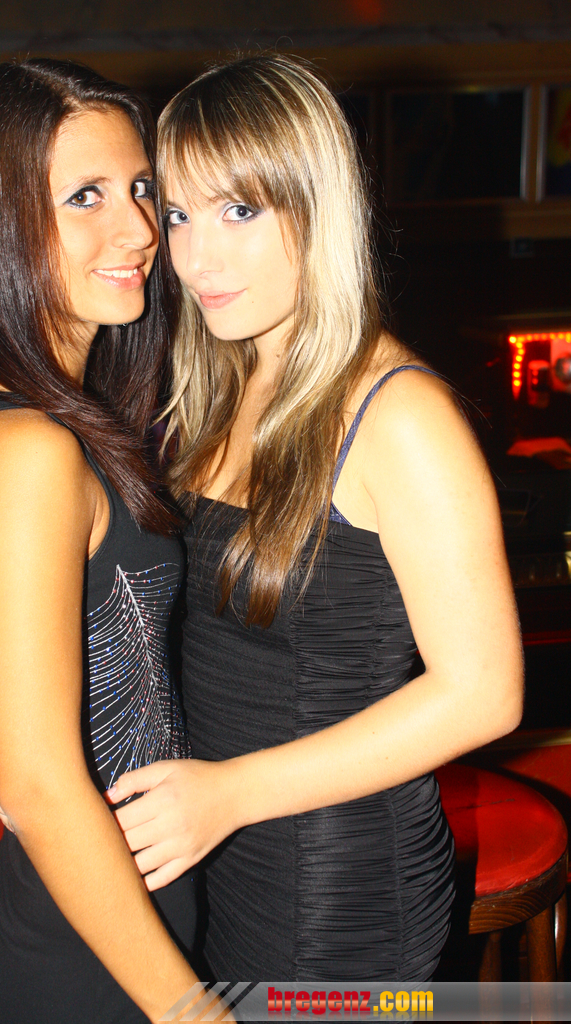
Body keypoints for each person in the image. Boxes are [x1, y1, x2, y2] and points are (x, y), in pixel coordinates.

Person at [110, 54, 524, 983]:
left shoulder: (401, 416)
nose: (196, 259)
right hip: (223, 852)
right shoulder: (223, 380)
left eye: (238, 211)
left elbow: (485, 692)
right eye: (177, 215)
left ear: (318, 207)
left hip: (342, 892)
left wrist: (230, 794)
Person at [0, 58, 209, 1024]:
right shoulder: (26, 450)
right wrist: (191, 1010)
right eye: (85, 196)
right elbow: (44, 792)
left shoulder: (16, 412)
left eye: (140, 188)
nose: (139, 230)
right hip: (94, 950)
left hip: (123, 908)